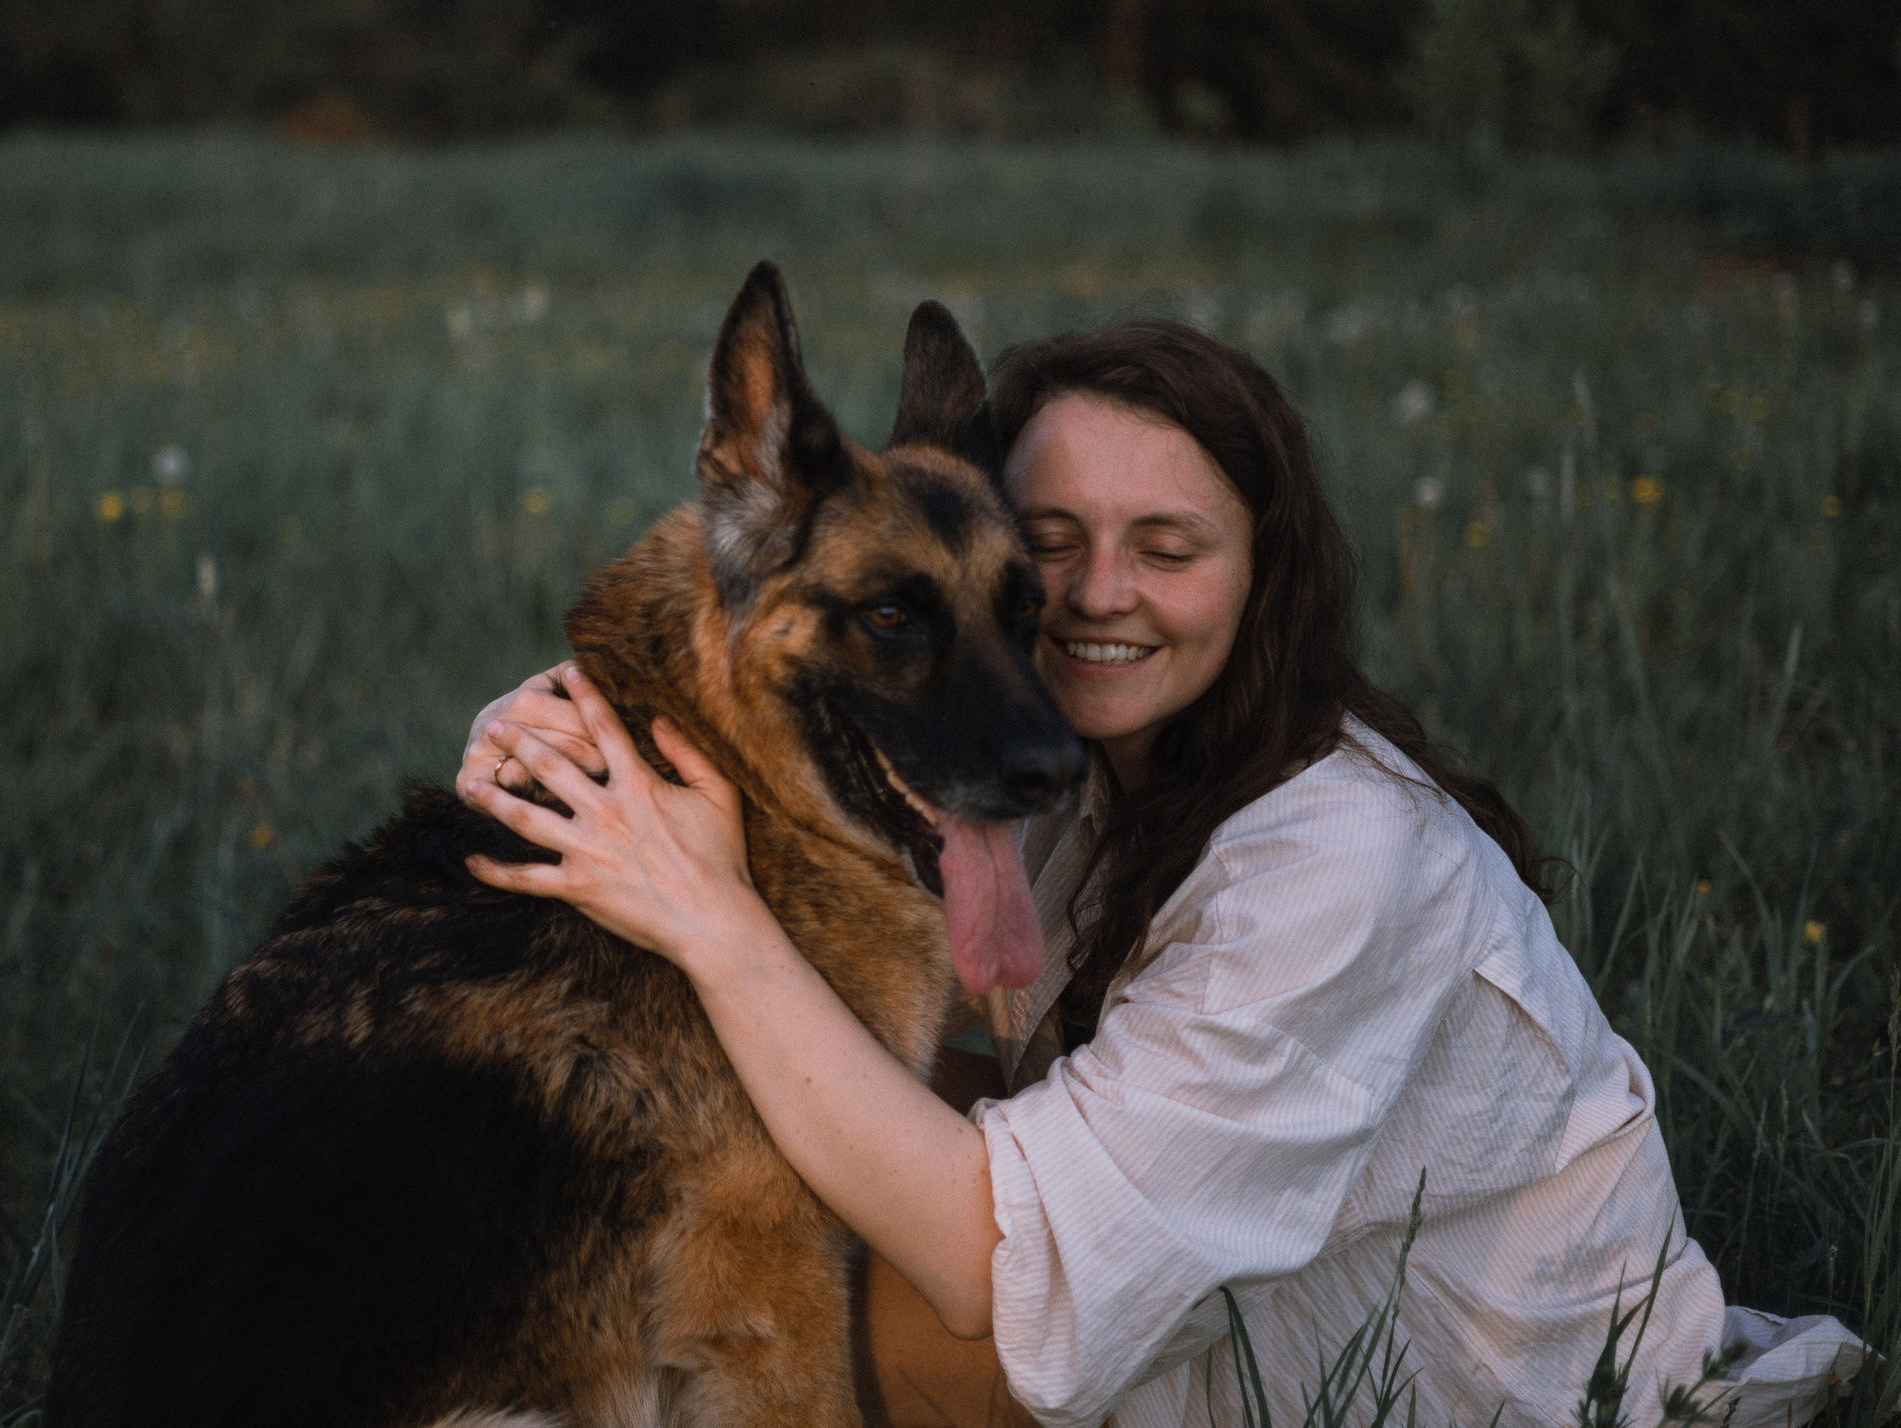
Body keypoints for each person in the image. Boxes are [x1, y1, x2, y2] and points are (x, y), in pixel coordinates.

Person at [454, 320, 1863, 1428]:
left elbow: (1001, 1269)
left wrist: (713, 925)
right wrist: (571, 726)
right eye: (1050, 548)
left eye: (1169, 549)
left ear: (1266, 572)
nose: (1099, 594)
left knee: (762, 1277)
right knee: (717, 1134)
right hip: (1205, 1311)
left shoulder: (1339, 864)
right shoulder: (1078, 765)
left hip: (1481, 1398)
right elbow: (803, 703)